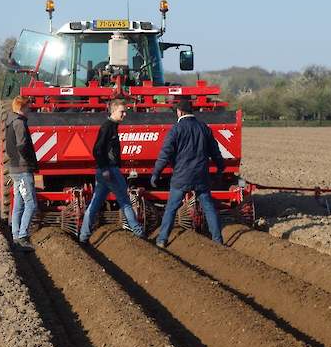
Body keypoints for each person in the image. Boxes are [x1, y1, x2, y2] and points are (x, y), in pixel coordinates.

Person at [151, 97, 225, 247]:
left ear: (179, 112)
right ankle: (217, 240)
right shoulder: (204, 127)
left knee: (171, 208)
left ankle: (162, 240)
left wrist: (156, 173)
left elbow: (165, 153)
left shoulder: (176, 130)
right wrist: (220, 167)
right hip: (201, 176)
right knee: (209, 207)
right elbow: (215, 151)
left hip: (181, 177)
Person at [79, 99, 146, 243]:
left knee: (95, 204)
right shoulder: (107, 127)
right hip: (109, 170)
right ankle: (139, 233)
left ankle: (83, 237)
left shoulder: (112, 126)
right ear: (113, 111)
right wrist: (104, 169)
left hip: (106, 171)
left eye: (125, 111)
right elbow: (97, 150)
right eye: (122, 111)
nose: (125, 114)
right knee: (125, 201)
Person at [5, 96, 37, 252]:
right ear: (22, 107)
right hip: (23, 169)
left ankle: (16, 235)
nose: (30, 110)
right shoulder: (19, 123)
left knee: (19, 202)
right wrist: (30, 160)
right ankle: (23, 236)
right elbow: (22, 145)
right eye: (28, 107)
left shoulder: (10, 122)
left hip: (14, 168)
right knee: (31, 203)